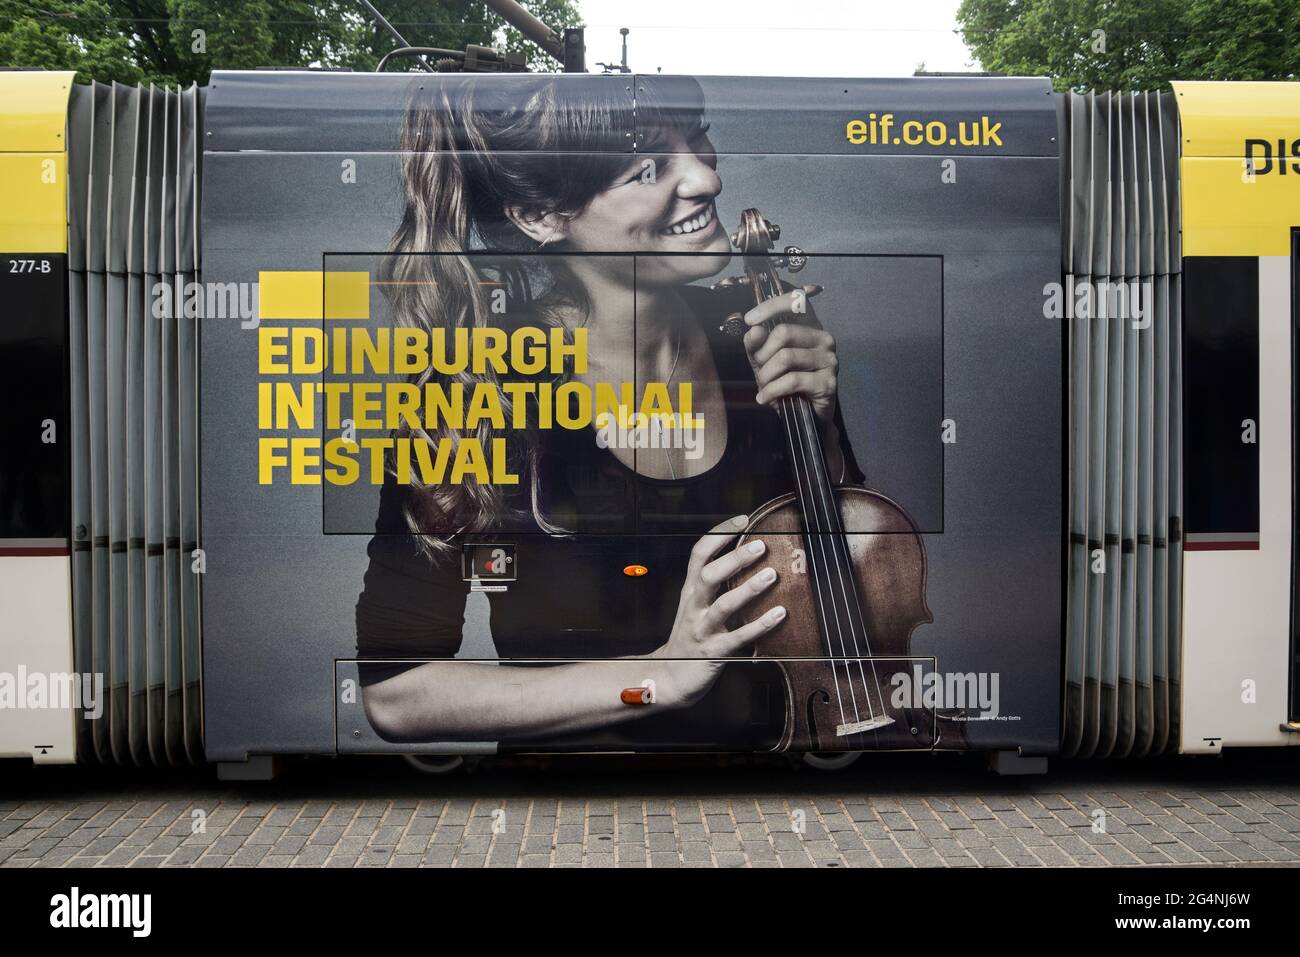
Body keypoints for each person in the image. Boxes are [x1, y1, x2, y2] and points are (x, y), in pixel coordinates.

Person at [355, 74, 861, 747]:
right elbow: (397, 692)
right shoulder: (477, 385)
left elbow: (862, 585)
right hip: (569, 812)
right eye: (648, 165)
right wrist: (660, 675)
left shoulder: (762, 330)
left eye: (697, 135)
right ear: (541, 217)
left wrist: (820, 426)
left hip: (769, 781)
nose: (705, 180)